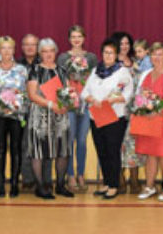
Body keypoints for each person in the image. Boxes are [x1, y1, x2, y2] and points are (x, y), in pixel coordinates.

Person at [81, 40, 133, 199]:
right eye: (105, 52)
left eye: (111, 53)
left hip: (114, 117)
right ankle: (106, 183)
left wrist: (110, 100)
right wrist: (92, 99)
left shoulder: (122, 72)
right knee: (102, 151)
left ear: (116, 55)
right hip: (96, 116)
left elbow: (127, 94)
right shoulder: (96, 70)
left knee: (112, 151)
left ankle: (114, 185)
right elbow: (84, 92)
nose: (107, 56)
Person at [25, 38, 75, 199]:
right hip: (40, 116)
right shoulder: (34, 70)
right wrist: (51, 104)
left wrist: (68, 103)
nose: (48, 54)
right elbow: (32, 95)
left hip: (60, 115)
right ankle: (40, 187)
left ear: (56, 52)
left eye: (51, 51)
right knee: (38, 151)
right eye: (44, 51)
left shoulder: (62, 70)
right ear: (40, 53)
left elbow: (68, 92)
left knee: (63, 150)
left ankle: (60, 185)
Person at [135, 43, 163, 202]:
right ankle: (150, 186)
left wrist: (157, 108)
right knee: (151, 156)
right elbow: (139, 95)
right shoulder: (145, 73)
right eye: (154, 54)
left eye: (160, 54)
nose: (156, 58)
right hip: (148, 121)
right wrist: (144, 109)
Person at [0, 36, 28, 197]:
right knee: (0, 149)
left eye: (10, 48)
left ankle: (15, 183)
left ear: (14, 50)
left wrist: (17, 100)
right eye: (3, 48)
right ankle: (0, 183)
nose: (7, 51)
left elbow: (26, 92)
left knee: (16, 149)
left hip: (16, 115)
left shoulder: (22, 70)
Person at [56, 25, 97, 192]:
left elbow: (95, 79)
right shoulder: (63, 57)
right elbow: (59, 79)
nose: (76, 39)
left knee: (81, 141)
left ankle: (81, 173)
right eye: (73, 37)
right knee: (70, 139)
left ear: (84, 38)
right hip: (70, 103)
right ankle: (70, 175)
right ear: (69, 39)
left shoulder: (92, 57)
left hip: (86, 104)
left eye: (79, 36)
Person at [17, 34, 52, 190]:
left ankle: (46, 179)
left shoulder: (47, 64)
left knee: (45, 144)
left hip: (43, 109)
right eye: (26, 44)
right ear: (22, 47)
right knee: (26, 145)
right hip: (22, 111)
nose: (30, 47)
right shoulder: (16, 65)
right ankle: (28, 178)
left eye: (33, 45)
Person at [112, 31, 144, 194]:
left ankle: (134, 178)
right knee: (117, 144)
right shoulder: (110, 63)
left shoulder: (137, 63)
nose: (124, 46)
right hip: (116, 110)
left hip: (135, 110)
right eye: (121, 43)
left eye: (127, 43)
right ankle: (119, 178)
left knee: (133, 145)